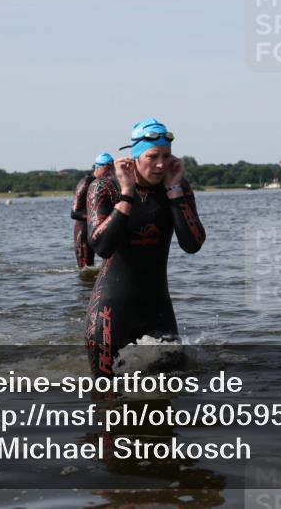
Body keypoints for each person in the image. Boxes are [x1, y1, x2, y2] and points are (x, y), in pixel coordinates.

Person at [84, 118, 205, 377]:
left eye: (166, 156)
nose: (161, 164)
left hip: (157, 309)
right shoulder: (104, 187)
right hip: (110, 312)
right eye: (152, 156)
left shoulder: (177, 187)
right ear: (135, 156)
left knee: (168, 391)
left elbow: (193, 244)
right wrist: (126, 194)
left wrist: (174, 192)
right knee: (108, 397)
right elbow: (100, 246)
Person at [72, 153, 114, 268]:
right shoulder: (86, 182)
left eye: (112, 168)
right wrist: (96, 217)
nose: (111, 171)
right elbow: (74, 212)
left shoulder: (105, 184)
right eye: (108, 168)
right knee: (85, 268)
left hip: (98, 228)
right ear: (98, 167)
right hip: (84, 230)